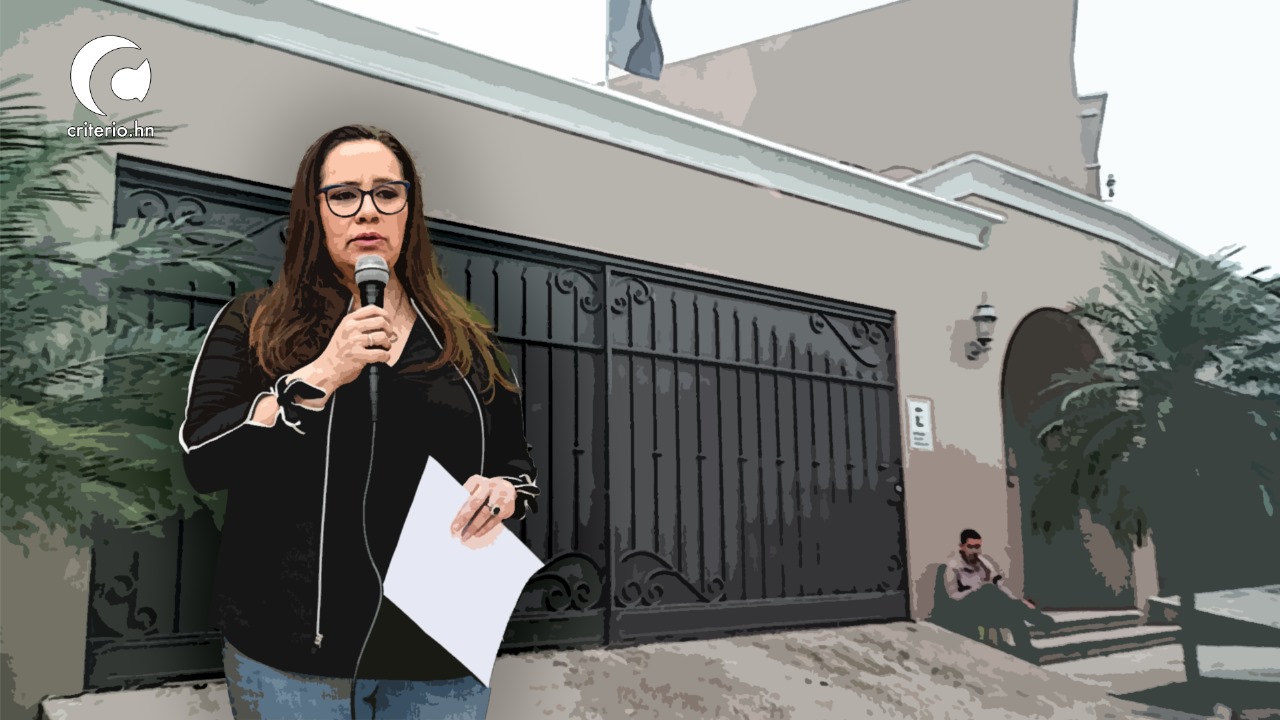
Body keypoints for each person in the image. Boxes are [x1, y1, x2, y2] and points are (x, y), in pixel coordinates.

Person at [179, 124, 539, 719]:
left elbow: (514, 464)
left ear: (409, 211)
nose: (367, 210)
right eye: (344, 195)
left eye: (387, 193)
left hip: (439, 653)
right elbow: (202, 460)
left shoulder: (469, 343)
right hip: (293, 657)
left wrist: (504, 492)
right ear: (314, 211)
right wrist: (320, 375)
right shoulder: (254, 323)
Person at [939, 529, 1051, 658]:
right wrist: (975, 590)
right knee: (987, 589)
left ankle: (1026, 649)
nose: (974, 550)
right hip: (967, 609)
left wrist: (1021, 601)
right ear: (962, 546)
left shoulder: (984, 563)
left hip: (988, 608)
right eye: (970, 547)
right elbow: (953, 596)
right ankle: (1035, 618)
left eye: (977, 546)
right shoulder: (954, 566)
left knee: (1013, 615)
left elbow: (1000, 584)